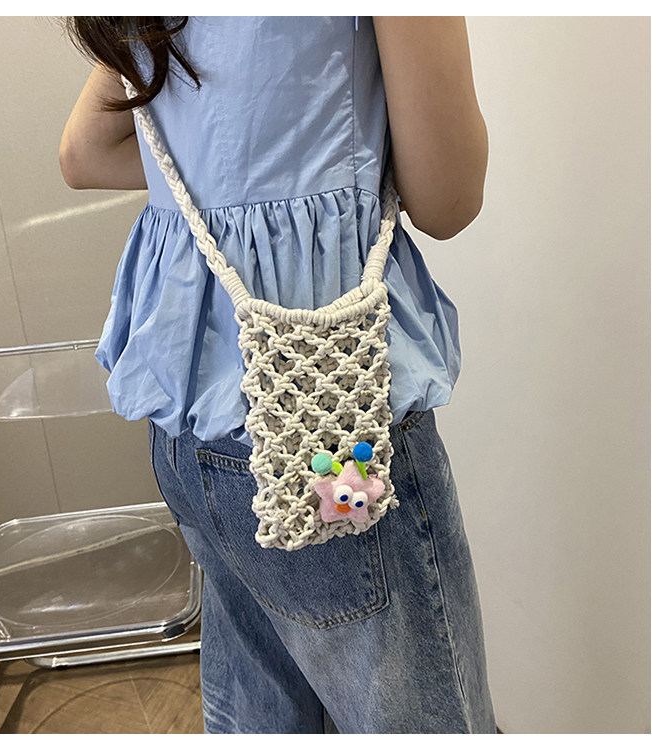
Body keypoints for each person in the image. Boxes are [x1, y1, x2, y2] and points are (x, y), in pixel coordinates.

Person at [60, 16, 494, 734]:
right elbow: (449, 200)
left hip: (188, 417)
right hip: (333, 422)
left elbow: (84, 153)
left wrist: (237, 168)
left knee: (259, 713)